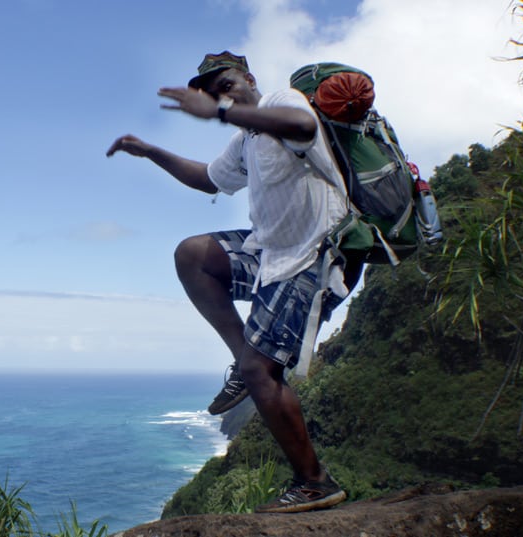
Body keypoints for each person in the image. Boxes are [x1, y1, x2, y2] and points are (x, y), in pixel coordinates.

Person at [106, 51, 356, 513]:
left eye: (226, 84)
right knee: (193, 256)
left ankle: (315, 482)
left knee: (263, 372)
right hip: (272, 253)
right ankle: (242, 360)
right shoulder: (246, 140)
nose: (221, 95)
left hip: (315, 255)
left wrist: (220, 112)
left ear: (249, 79)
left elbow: (301, 128)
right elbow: (208, 179)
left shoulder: (284, 101)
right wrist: (151, 152)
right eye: (212, 92)